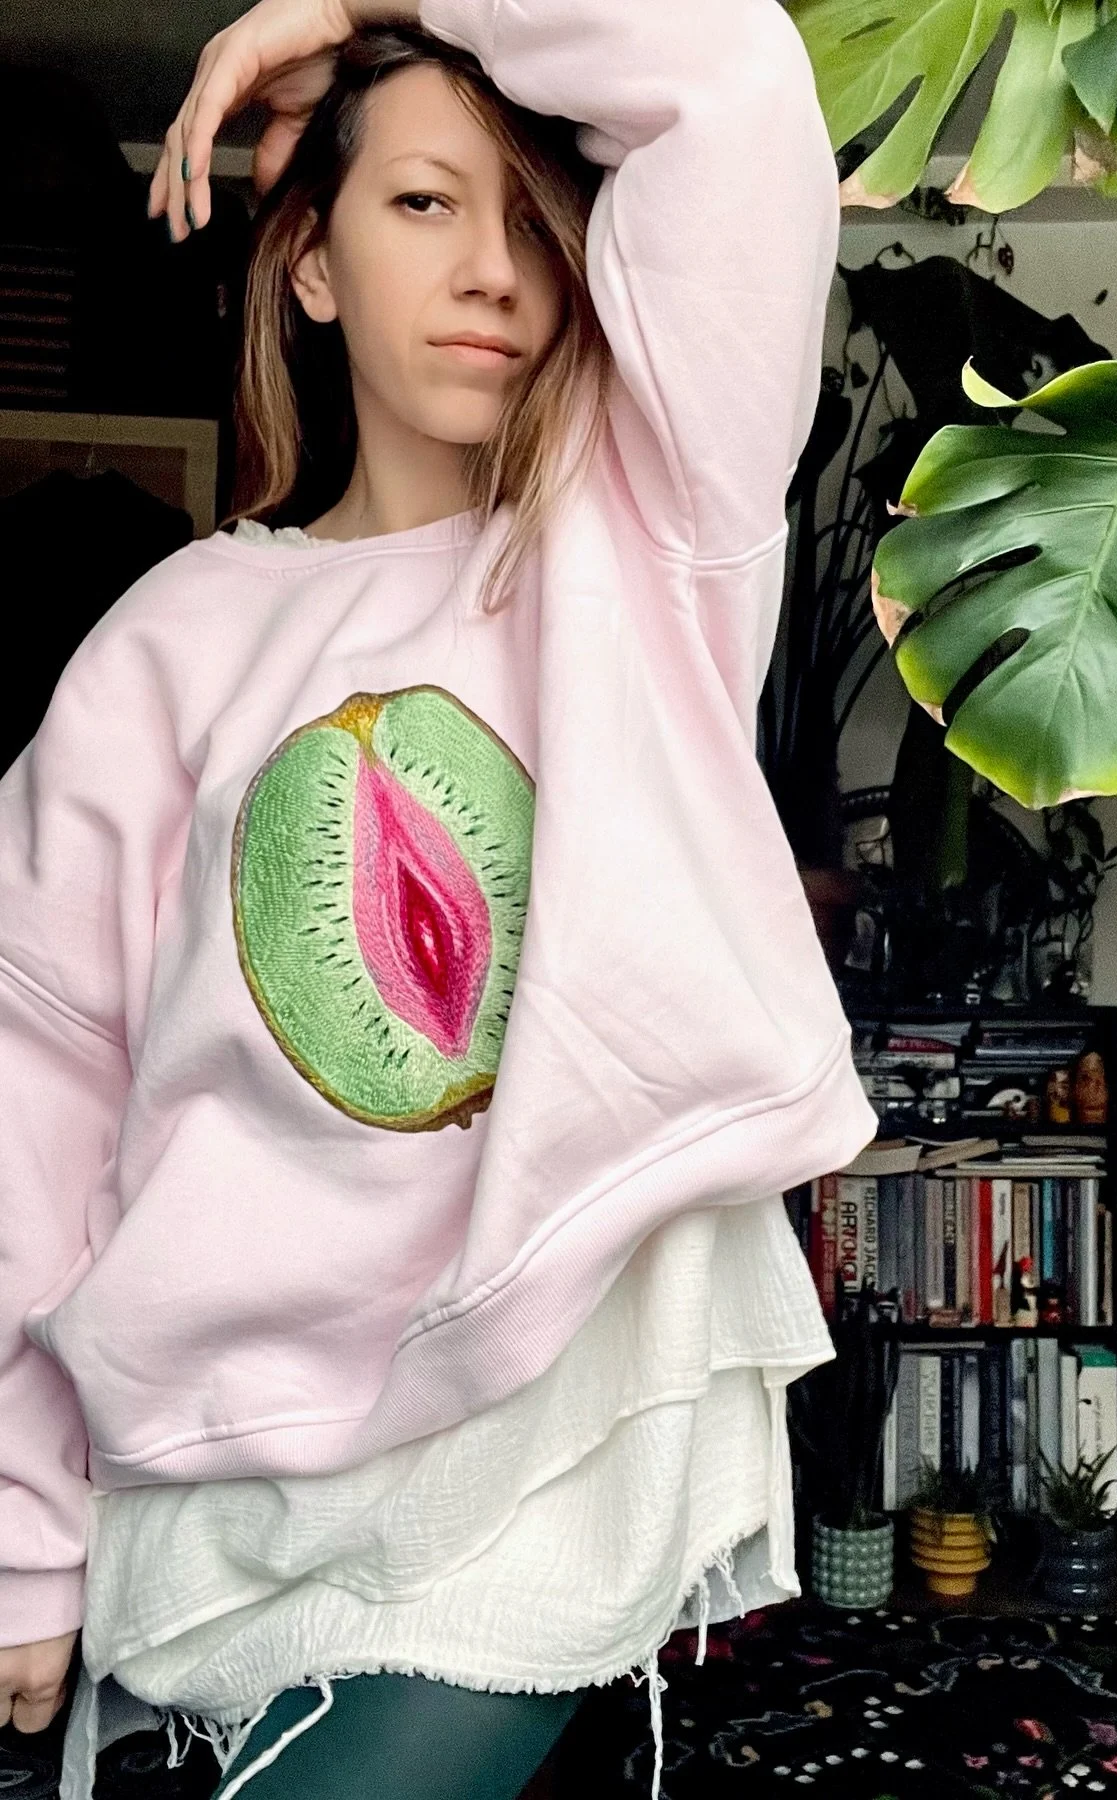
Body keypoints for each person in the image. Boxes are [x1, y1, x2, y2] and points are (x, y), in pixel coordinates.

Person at [0, 1, 879, 1796]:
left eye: (532, 221)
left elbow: (738, 88)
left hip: (527, 1438)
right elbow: (38, 1094)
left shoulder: (641, 548)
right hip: (216, 1461)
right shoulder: (166, 645)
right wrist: (22, 1526)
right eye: (418, 206)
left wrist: (369, 5)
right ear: (307, 266)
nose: (491, 270)